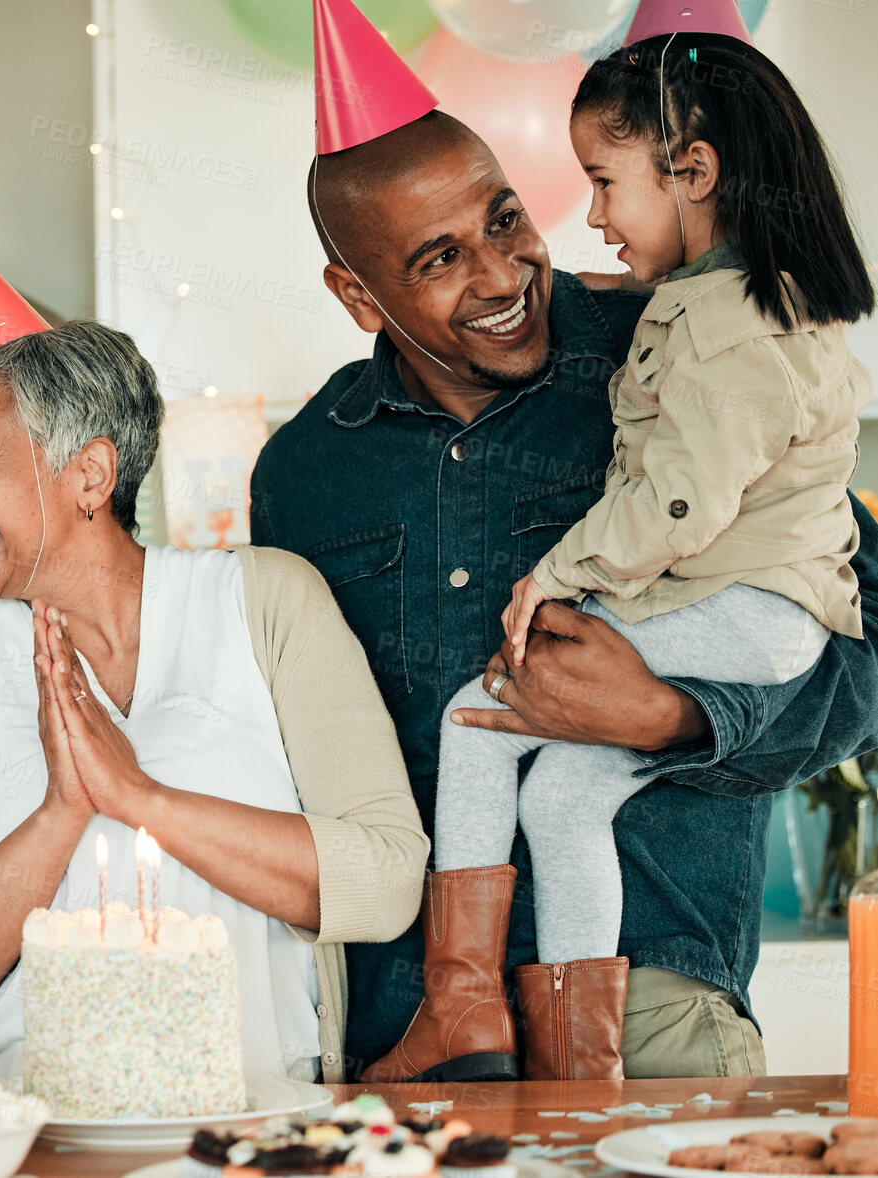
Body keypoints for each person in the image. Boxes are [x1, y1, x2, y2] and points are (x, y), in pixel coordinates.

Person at [253, 92, 878, 1078]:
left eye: (502, 219)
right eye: (439, 257)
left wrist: (673, 713)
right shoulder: (303, 473)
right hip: (406, 1021)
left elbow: (855, 639)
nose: (500, 273)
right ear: (356, 294)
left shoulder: (681, 346)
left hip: (652, 1000)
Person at [0, 318, 428, 1084]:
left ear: (90, 475)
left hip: (257, 1127)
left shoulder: (265, 600)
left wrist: (137, 797)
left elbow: (385, 879)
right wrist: (62, 812)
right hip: (24, 1132)